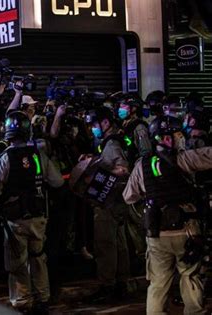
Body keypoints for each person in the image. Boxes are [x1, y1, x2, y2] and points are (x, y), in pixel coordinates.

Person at [123, 115, 212, 315]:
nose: (181, 138)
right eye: (177, 134)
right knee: (189, 276)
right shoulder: (185, 159)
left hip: (156, 234)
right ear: (165, 138)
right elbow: (208, 156)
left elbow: (128, 196)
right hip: (186, 232)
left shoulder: (141, 165)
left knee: (157, 283)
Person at [0, 111, 64, 314]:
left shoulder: (4, 158)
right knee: (38, 258)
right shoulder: (39, 155)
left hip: (15, 221)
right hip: (38, 218)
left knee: (17, 263)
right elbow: (57, 181)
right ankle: (43, 299)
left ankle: (22, 303)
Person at [84, 107, 131, 302]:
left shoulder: (111, 144)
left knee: (106, 245)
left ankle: (108, 286)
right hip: (118, 201)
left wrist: (96, 167)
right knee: (119, 245)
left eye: (95, 124)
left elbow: (122, 169)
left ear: (105, 123)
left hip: (109, 202)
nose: (93, 129)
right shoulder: (115, 140)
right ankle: (121, 284)